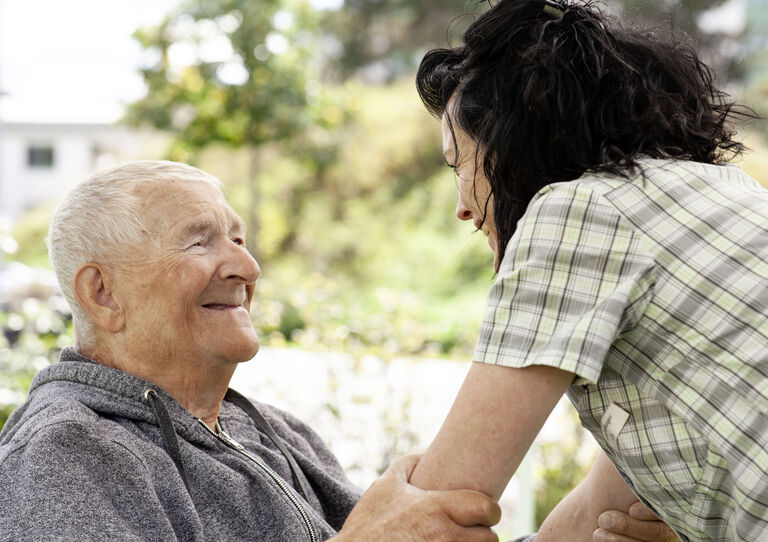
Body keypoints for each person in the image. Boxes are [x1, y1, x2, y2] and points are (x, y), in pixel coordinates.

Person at [408, 0, 766, 541]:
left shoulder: (577, 212)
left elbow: (437, 508)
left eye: (460, 164)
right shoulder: (715, 197)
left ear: (511, 143)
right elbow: (597, 514)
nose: (461, 206)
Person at [0, 160, 501, 542]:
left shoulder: (278, 430)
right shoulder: (62, 453)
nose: (247, 266)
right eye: (199, 243)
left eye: (238, 238)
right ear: (102, 295)